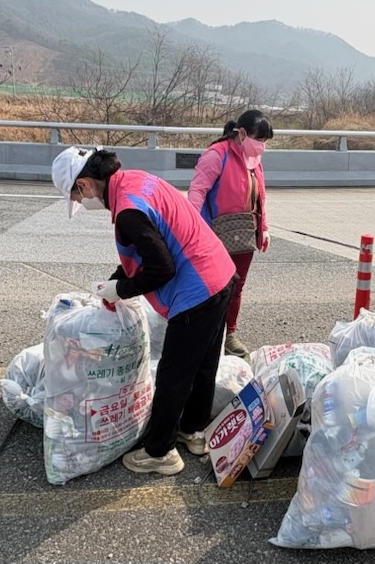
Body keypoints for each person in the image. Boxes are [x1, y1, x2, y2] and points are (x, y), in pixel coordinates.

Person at [51, 146, 236, 476]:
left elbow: (161, 267)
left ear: (85, 185)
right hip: (220, 275)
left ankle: (160, 452)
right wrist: (115, 281)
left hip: (197, 290)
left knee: (173, 374)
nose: (82, 202)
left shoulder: (127, 212)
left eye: (77, 197)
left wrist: (121, 289)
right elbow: (149, 248)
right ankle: (194, 431)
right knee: (203, 364)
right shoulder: (136, 181)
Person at [188, 109, 274, 359]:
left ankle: (230, 334)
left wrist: (264, 228)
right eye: (259, 139)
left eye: (265, 141)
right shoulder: (217, 155)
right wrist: (191, 228)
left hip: (245, 232)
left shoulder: (253, 160)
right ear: (242, 133)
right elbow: (197, 192)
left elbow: (260, 196)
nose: (262, 146)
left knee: (236, 287)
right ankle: (208, 335)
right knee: (214, 287)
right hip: (215, 234)